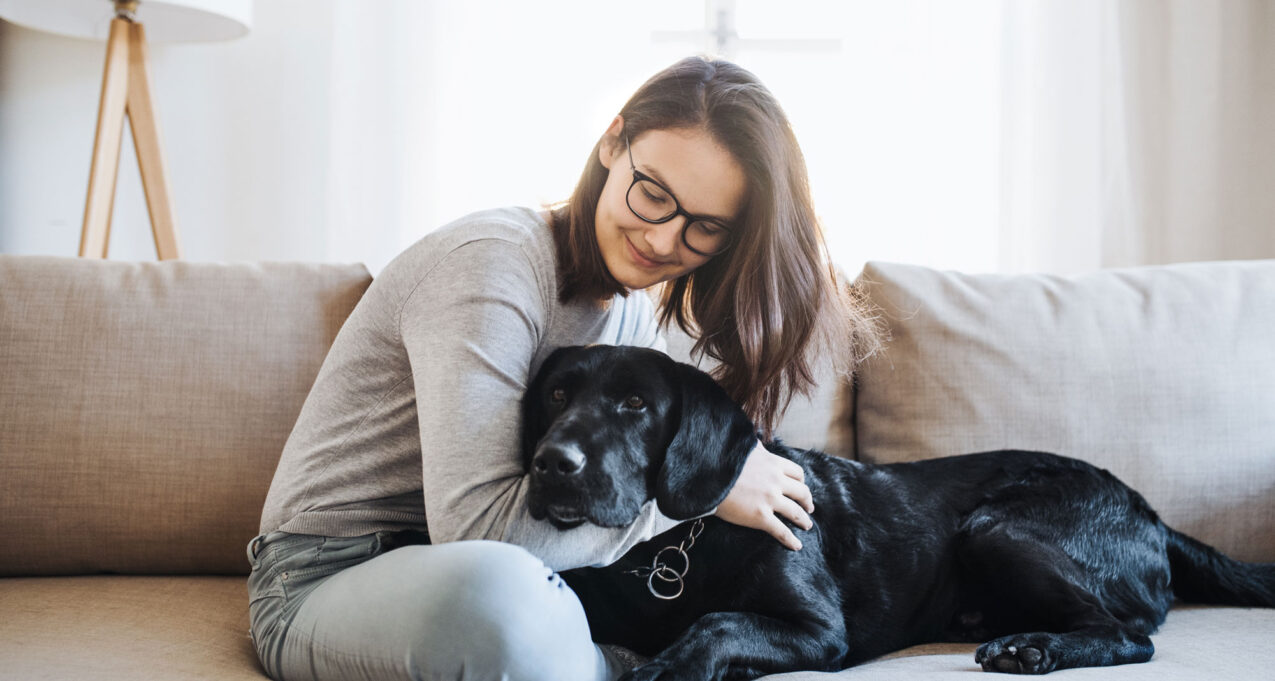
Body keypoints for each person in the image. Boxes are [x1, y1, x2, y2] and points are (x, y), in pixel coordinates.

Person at [247, 55, 879, 681]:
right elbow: (478, 532)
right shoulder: (492, 265)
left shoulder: (630, 315)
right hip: (327, 577)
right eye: (653, 192)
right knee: (505, 595)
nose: (663, 240)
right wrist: (707, 498)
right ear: (611, 141)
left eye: (704, 227)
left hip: (495, 576)